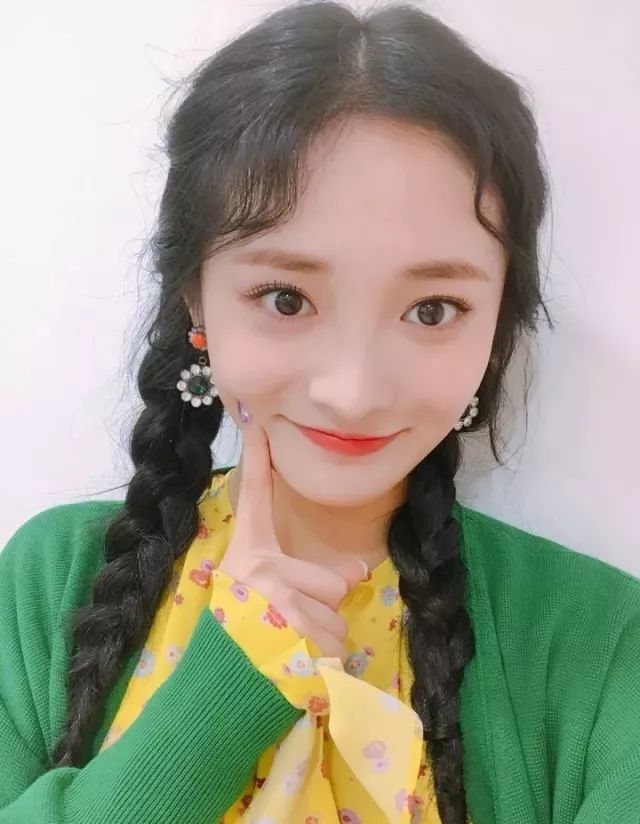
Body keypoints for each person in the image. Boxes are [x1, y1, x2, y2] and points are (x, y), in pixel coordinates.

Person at [1, 1, 638, 822]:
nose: (353, 389)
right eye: (286, 298)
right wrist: (222, 693)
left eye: (433, 309)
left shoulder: (602, 646)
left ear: (497, 320)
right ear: (196, 292)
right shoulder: (49, 583)